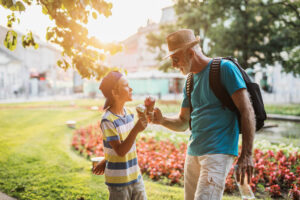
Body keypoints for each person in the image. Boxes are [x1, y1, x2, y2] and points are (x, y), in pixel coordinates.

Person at [151, 29, 255, 200]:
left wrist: (247, 154)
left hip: (217, 153)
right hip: (193, 153)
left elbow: (247, 110)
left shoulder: (224, 69)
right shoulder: (190, 81)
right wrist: (162, 120)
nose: (173, 65)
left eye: (175, 59)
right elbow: (184, 122)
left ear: (190, 53)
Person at [92, 71, 148, 200]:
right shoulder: (108, 120)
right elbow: (121, 151)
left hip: (135, 176)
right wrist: (136, 130)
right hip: (119, 182)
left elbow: (122, 146)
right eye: (126, 85)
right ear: (115, 93)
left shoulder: (129, 114)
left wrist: (107, 160)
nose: (131, 88)